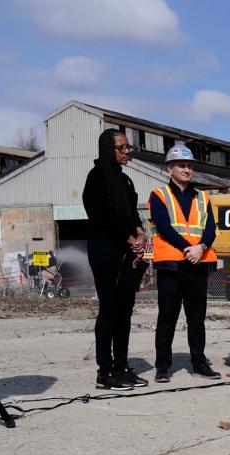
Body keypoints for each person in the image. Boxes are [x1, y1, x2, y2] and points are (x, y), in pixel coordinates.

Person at [146, 144, 220, 382]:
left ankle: (199, 363)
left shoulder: (203, 197)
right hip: (172, 265)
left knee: (197, 320)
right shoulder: (159, 195)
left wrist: (201, 248)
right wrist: (188, 248)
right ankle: (163, 366)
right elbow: (164, 227)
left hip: (197, 264)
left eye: (189, 166)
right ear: (170, 169)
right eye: (182, 165)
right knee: (167, 319)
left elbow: (210, 228)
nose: (187, 170)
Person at [82, 128, 146, 389]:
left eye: (128, 147)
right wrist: (128, 238)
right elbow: (101, 215)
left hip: (127, 251)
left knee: (125, 311)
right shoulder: (97, 177)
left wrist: (140, 233)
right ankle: (104, 371)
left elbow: (131, 211)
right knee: (109, 308)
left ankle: (121, 366)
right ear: (108, 149)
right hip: (106, 250)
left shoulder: (125, 180)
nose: (127, 152)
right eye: (122, 148)